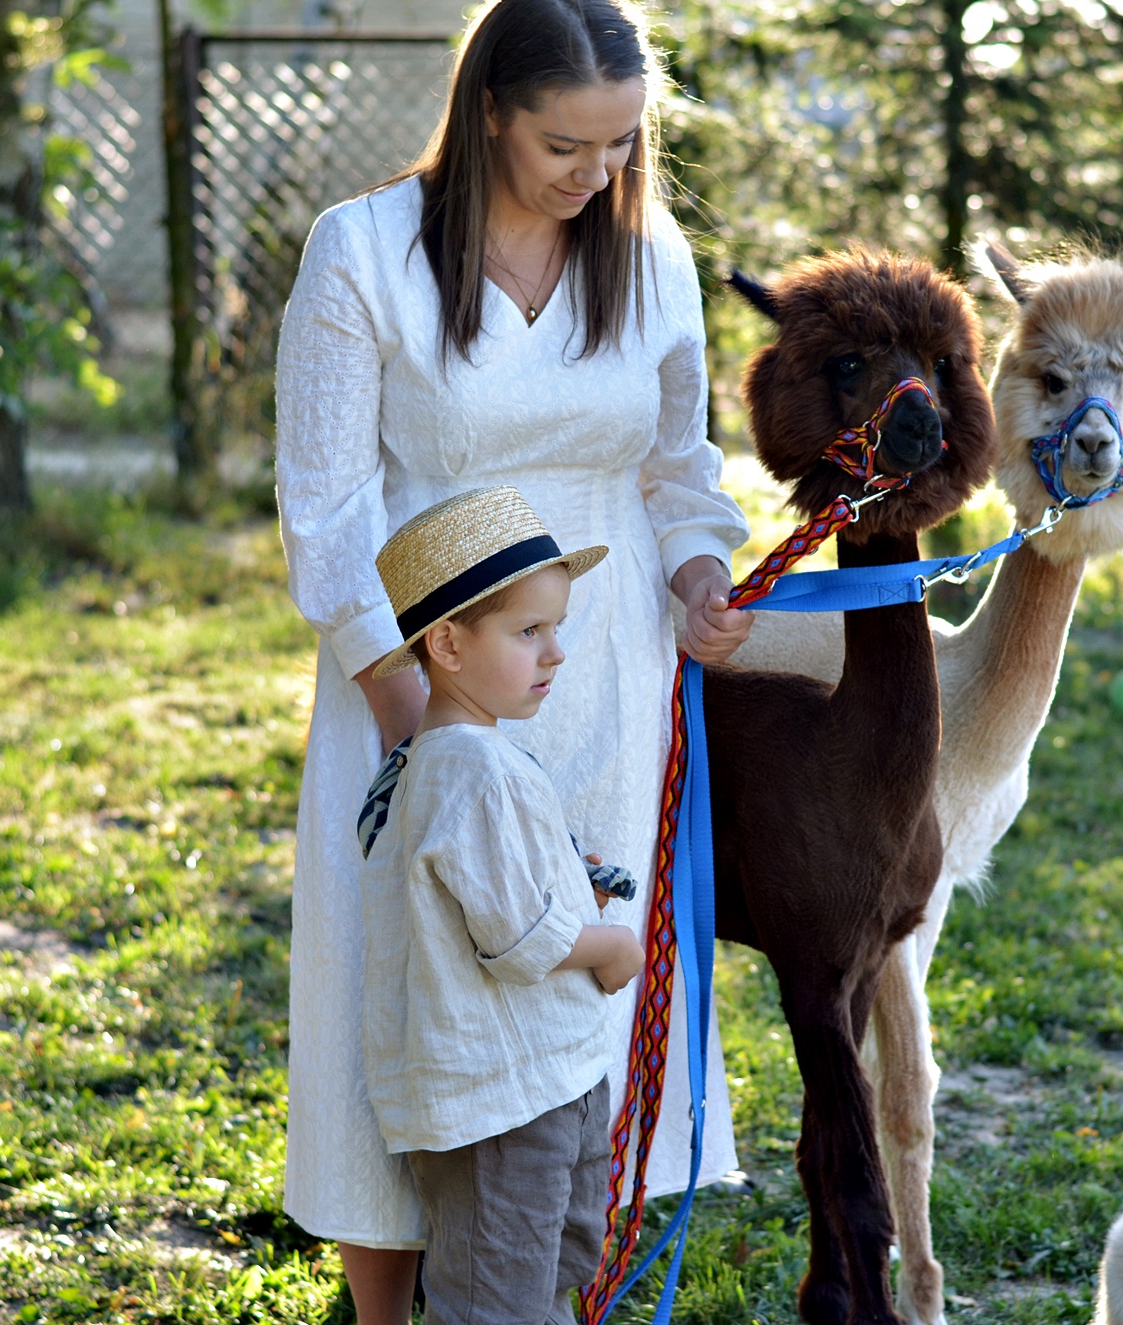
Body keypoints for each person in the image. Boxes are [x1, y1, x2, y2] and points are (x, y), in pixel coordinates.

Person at [273, 2, 752, 1320]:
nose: (595, 173)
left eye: (619, 144)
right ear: (489, 111)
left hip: (600, 680)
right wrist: (415, 715)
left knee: (575, 983)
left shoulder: (652, 261)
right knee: (409, 983)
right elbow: (326, 507)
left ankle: (549, 1290)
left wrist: (698, 571)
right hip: (415, 676)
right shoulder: (363, 251)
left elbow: (678, 468)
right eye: (563, 144)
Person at [360, 487, 642, 1325]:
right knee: (497, 1294)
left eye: (556, 626)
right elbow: (520, 940)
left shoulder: (454, 759)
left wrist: (570, 882)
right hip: (503, 1102)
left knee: (543, 1271)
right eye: (529, 631)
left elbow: (485, 893)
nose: (556, 651)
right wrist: (610, 946)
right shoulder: (473, 769)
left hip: (540, 1082)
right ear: (447, 643)